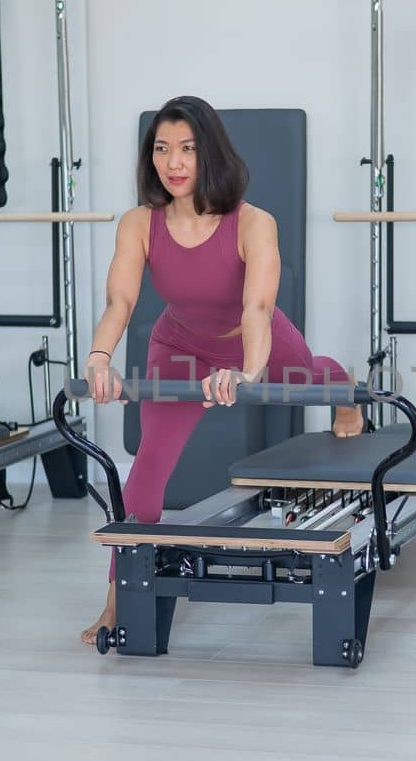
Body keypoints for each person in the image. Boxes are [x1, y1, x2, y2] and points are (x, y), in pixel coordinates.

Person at [80, 96, 359, 644]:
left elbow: (256, 308)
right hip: (179, 346)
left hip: (255, 342)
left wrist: (249, 373)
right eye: (162, 149)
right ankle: (117, 600)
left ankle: (344, 390)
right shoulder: (139, 223)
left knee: (306, 379)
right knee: (145, 483)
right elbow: (120, 301)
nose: (174, 162)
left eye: (187, 148)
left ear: (211, 155)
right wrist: (99, 358)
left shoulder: (253, 223)